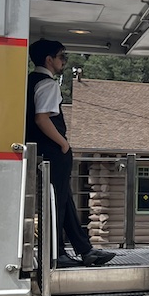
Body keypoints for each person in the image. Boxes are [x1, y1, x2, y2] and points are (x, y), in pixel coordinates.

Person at [26, 39, 115, 267]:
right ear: (49, 59)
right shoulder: (47, 84)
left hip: (40, 150)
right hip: (52, 151)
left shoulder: (29, 81)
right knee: (55, 201)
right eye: (61, 57)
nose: (64, 61)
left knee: (62, 199)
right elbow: (42, 118)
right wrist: (63, 144)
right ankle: (56, 253)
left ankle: (84, 250)